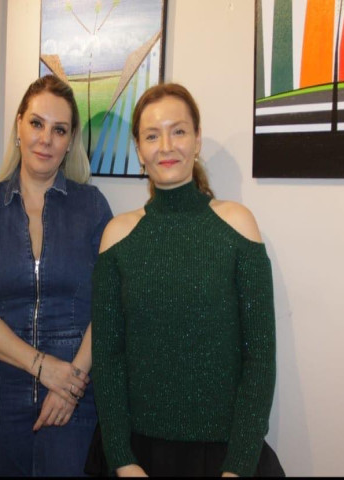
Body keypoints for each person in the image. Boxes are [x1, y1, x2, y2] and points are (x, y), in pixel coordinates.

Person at [90, 83, 284, 477]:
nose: (166, 146)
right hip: (138, 456)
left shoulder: (238, 226)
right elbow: (107, 359)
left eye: (178, 131)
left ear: (196, 140)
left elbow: (260, 359)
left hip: (225, 456)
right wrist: (122, 460)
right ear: (139, 150)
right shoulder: (117, 236)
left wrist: (238, 467)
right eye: (151, 135)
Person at [0, 74, 113, 476]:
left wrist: (70, 382)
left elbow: (110, 305)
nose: (46, 139)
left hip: (75, 396)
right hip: (0, 397)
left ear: (70, 141)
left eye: (59, 130)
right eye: (37, 123)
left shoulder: (92, 207)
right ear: (19, 126)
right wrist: (43, 367)